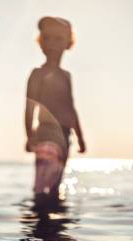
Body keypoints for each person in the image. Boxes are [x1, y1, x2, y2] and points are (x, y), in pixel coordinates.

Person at [25, 17, 86, 198]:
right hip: (45, 134)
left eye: (58, 39)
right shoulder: (37, 74)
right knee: (42, 185)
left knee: (55, 185)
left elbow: (71, 108)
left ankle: (52, 222)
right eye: (46, 38)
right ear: (40, 42)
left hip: (65, 136)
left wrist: (81, 138)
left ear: (68, 43)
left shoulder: (66, 76)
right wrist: (29, 136)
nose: (51, 43)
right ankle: (42, 219)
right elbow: (29, 108)